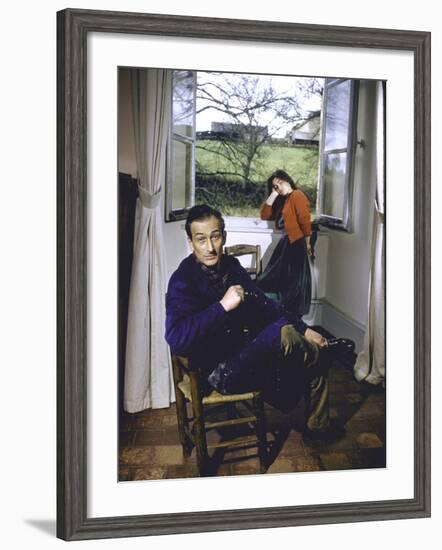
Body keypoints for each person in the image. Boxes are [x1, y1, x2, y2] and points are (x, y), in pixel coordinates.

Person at [165, 204, 334, 437]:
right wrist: (222, 306)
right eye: (201, 239)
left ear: (224, 236)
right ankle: (324, 357)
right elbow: (176, 339)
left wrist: (305, 331)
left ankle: (319, 426)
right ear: (190, 243)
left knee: (292, 336)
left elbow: (264, 305)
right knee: (291, 340)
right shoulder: (182, 280)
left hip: (244, 354)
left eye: (215, 237)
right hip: (216, 372)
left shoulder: (231, 267)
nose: (210, 248)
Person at [257, 169, 312, 316]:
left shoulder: (297, 195)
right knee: (276, 280)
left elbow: (305, 221)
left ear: (286, 180)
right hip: (286, 244)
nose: (278, 187)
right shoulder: (283, 200)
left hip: (296, 243)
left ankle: (291, 318)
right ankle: (280, 314)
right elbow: (264, 215)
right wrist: (274, 194)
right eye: (275, 185)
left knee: (291, 283)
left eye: (280, 183)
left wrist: (307, 243)